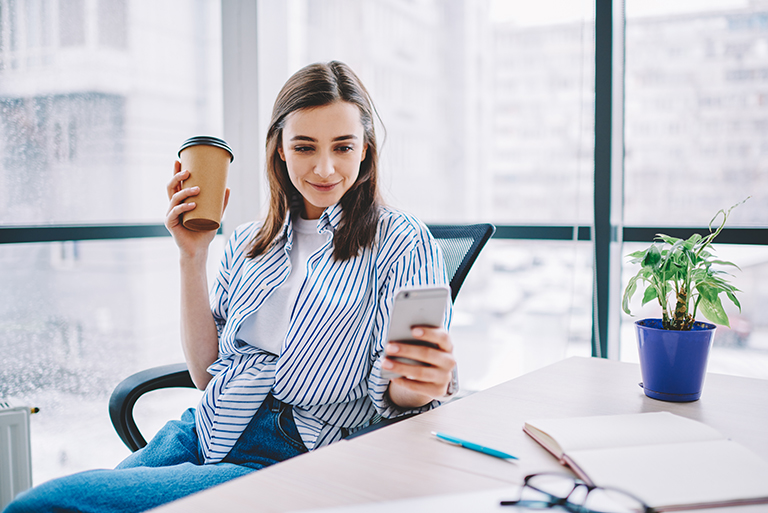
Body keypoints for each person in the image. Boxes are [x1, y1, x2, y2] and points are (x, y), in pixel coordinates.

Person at [4, 60, 457, 513]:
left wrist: (420, 383)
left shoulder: (400, 240)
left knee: (50, 505)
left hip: (292, 452)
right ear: (280, 149)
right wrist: (192, 255)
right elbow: (206, 374)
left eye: (343, 147)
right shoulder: (248, 241)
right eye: (304, 147)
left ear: (365, 150)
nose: (324, 168)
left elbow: (404, 398)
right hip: (204, 427)